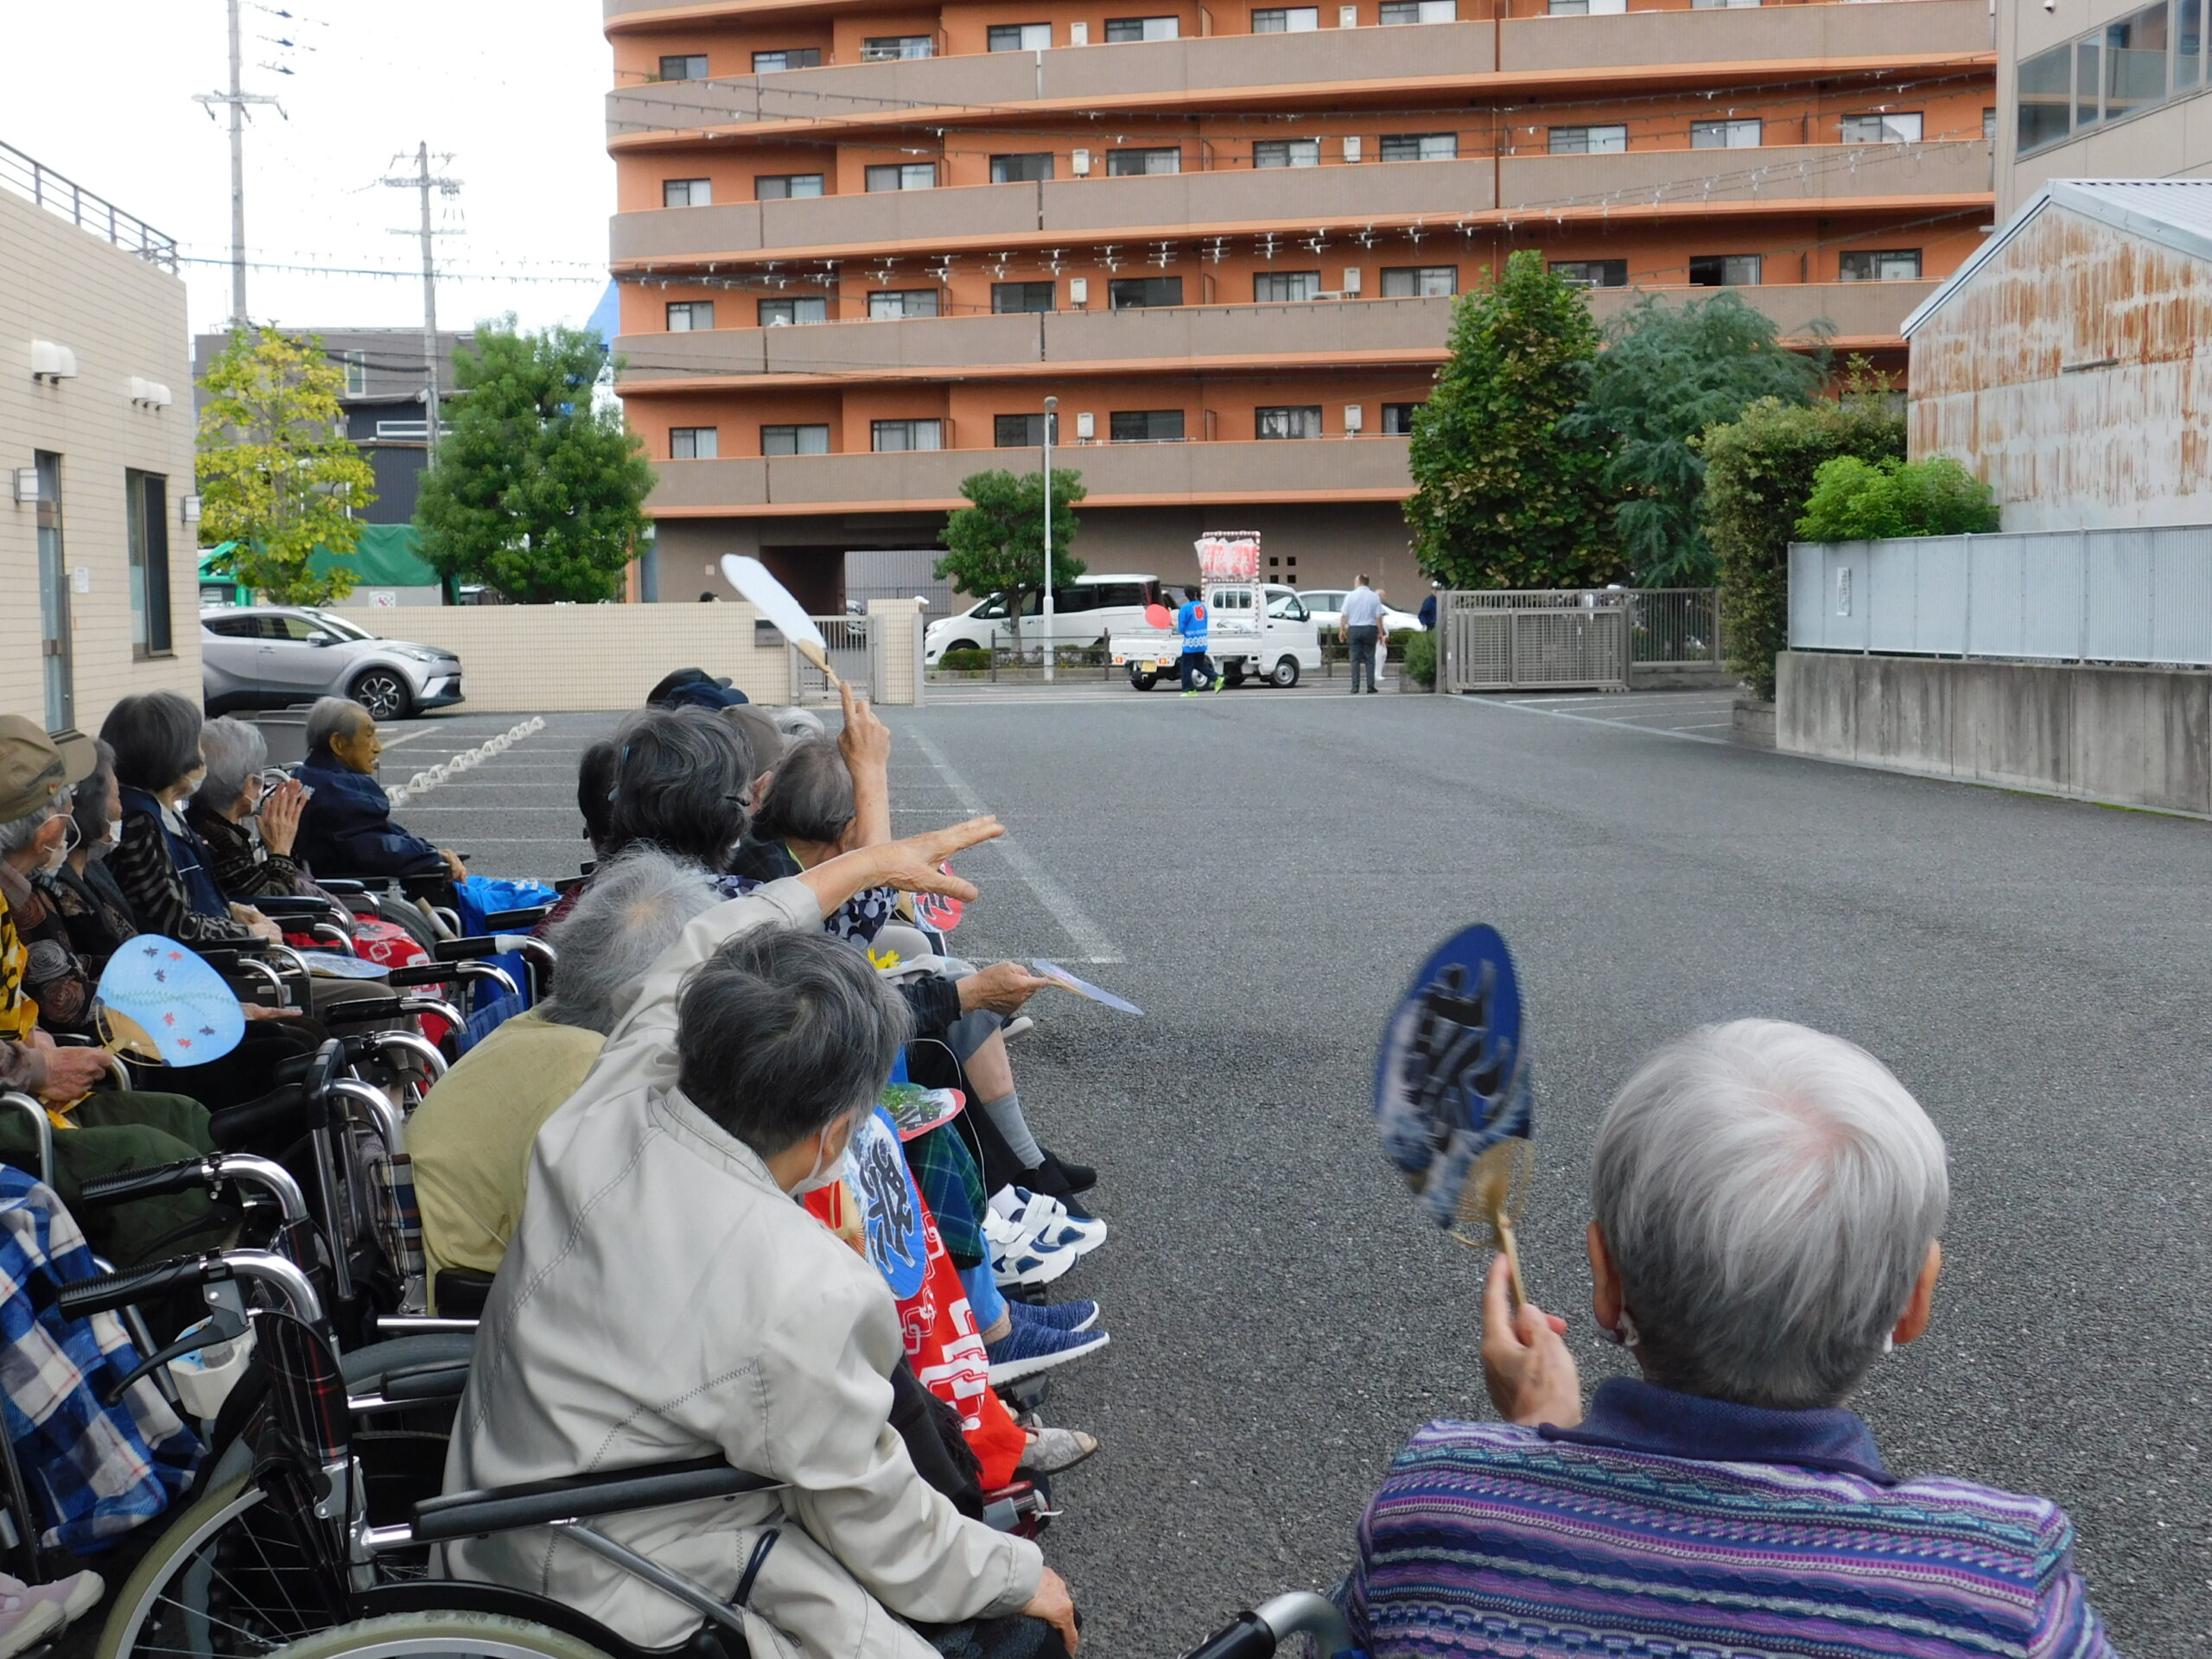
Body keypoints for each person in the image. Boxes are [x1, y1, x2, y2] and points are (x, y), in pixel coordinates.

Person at [443, 819, 1084, 1659]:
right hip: (625, 1583)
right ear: (833, 1134)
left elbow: (710, 938)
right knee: (1009, 1636)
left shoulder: (615, 1095)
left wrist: (867, 866)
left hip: (503, 1502)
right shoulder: (800, 1286)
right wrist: (1016, 1572)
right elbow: (888, 1527)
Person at [1339, 1019, 2115, 1658]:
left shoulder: (1436, 1500)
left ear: (1607, 1286)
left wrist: (1541, 1446)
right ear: (1914, 1302)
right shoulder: (2000, 1586)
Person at [406, 848, 717, 1308]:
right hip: (489, 1316)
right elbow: (617, 1257)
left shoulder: (540, 1028)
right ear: (658, 998)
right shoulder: (596, 1077)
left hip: (468, 1280)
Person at [0, 718, 226, 1268]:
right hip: (14, 1104)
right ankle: (161, 1314)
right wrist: (34, 1067)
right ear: (46, 831)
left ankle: (220, 1278)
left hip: (26, 1086)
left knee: (184, 1116)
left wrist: (42, 1047)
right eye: (65, 804)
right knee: (152, 1157)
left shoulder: (17, 893)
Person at [99, 693, 283, 948]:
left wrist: (229, 910)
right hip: (202, 972)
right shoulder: (138, 823)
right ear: (172, 754)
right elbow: (173, 927)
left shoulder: (165, 812)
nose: (203, 756)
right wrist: (246, 933)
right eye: (196, 743)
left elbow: (176, 901)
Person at [293, 697, 464, 885]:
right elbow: (379, 850)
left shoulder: (307, 776)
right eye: (369, 736)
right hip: (363, 887)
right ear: (338, 743)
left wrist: (426, 851)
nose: (377, 747)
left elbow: (378, 831)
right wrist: (432, 856)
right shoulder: (338, 792)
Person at [187, 717, 314, 902]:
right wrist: (280, 851)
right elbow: (277, 902)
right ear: (248, 784)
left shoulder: (193, 821)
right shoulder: (224, 846)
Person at [1342, 575, 1383, 695]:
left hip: (1354, 628)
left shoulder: (1350, 596)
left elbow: (1344, 614)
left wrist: (1342, 629)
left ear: (1359, 582)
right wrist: (1380, 632)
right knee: (1370, 658)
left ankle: (1355, 686)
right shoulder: (1374, 596)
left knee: (1355, 659)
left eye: (1355, 581)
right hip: (1370, 628)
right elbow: (1378, 616)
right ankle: (1370, 686)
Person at [1175, 591, 1216, 696]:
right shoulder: (1202, 606)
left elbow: (1182, 627)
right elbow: (1205, 621)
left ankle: (1189, 689)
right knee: (1199, 663)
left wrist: (1177, 628)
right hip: (1201, 639)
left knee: (1185, 666)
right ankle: (1217, 678)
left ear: (1186, 595)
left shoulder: (1185, 608)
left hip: (1190, 642)